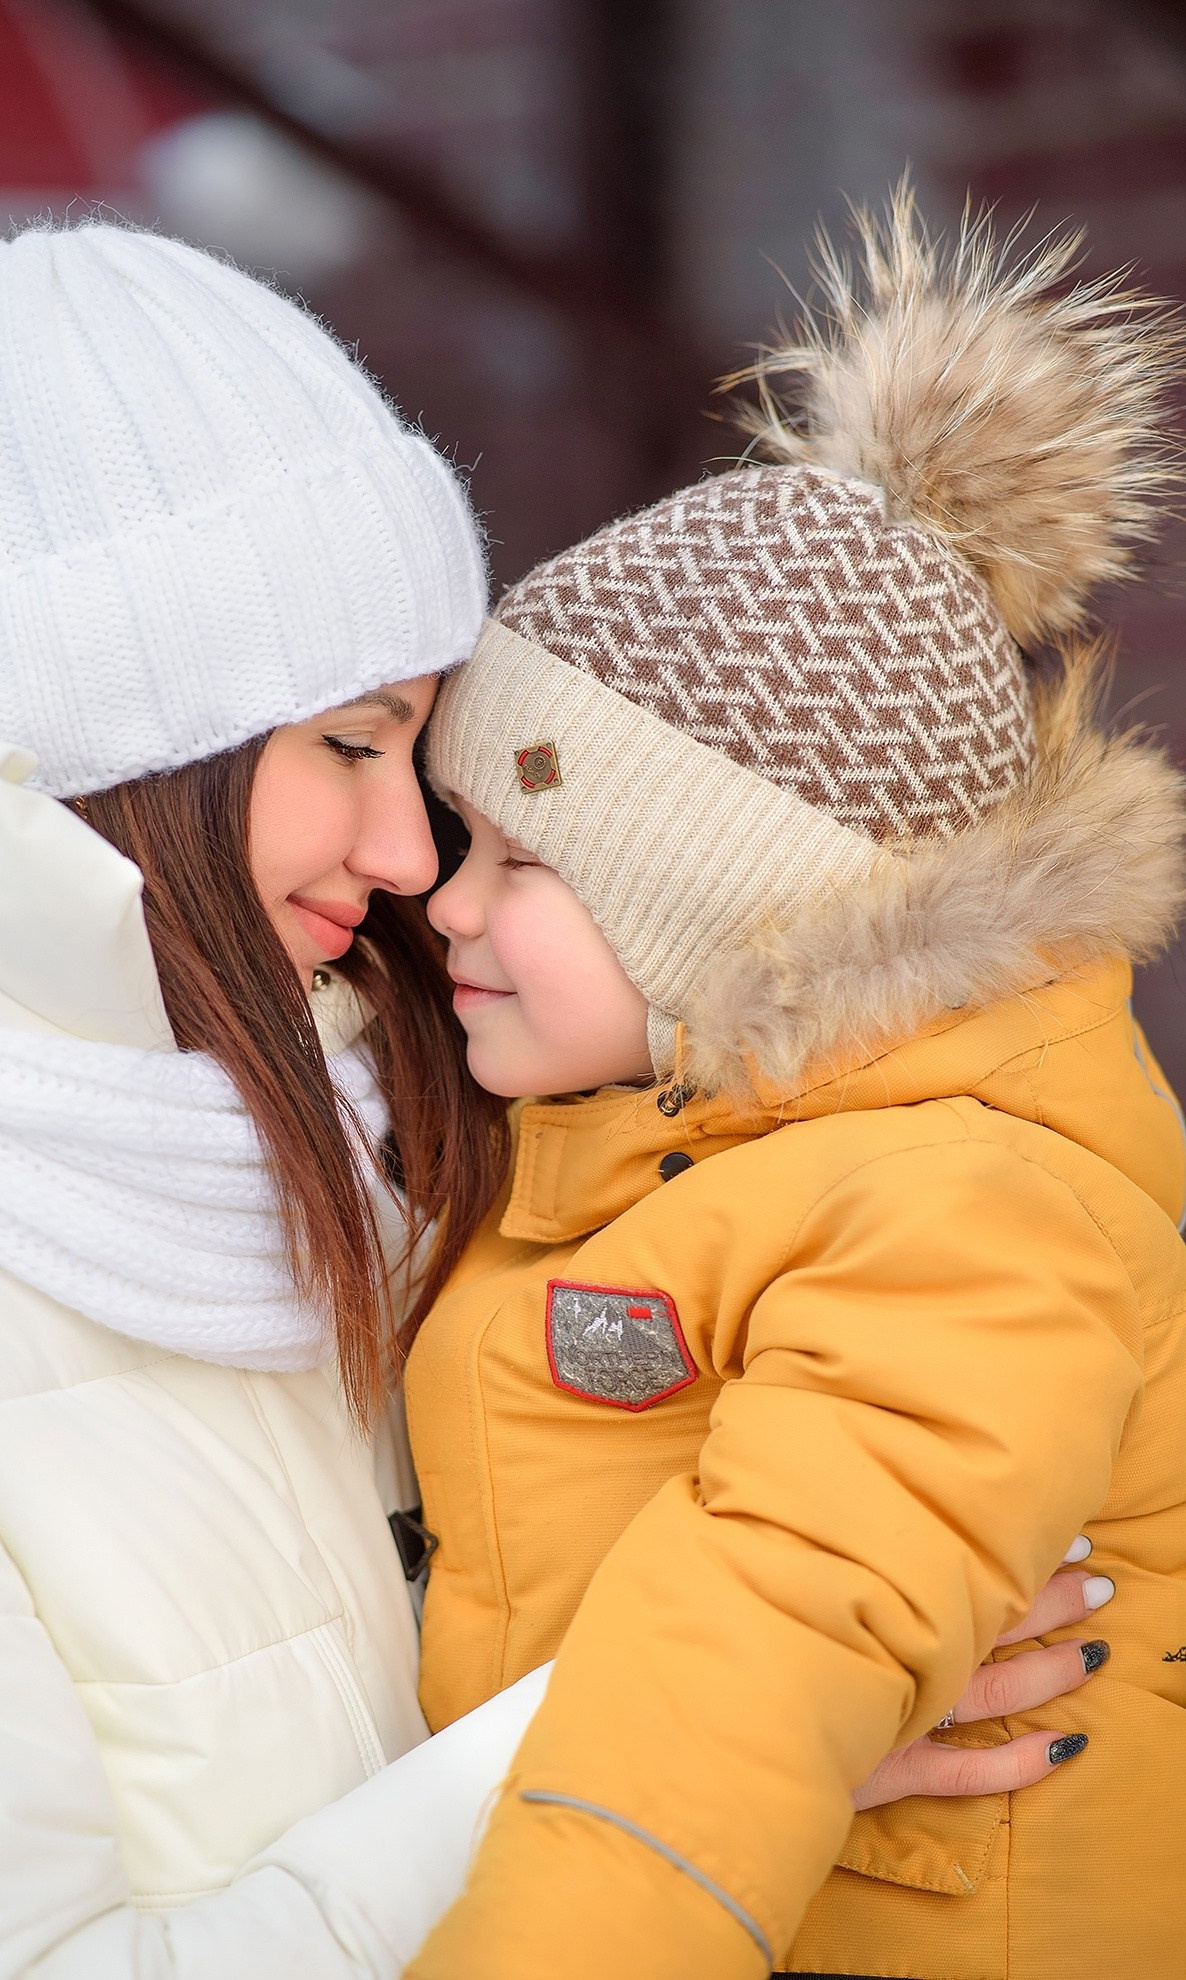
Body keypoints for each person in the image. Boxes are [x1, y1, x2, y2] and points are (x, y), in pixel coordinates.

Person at [405, 193, 1186, 1979]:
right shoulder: (654, 1155)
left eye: (525, 862)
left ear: (728, 917)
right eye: (462, 841)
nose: (444, 902)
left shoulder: (958, 1217)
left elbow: (758, 1659)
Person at [0, 219, 549, 1979]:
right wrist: (677, 1735)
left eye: (417, 753)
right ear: (123, 750)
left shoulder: (376, 1123)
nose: (409, 856)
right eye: (349, 743)